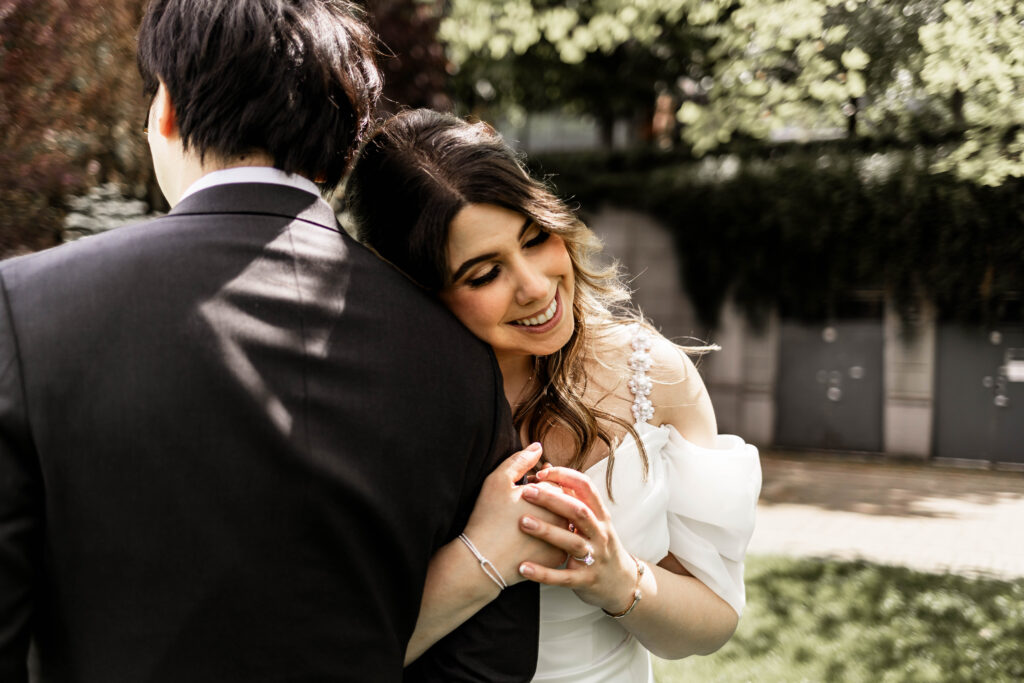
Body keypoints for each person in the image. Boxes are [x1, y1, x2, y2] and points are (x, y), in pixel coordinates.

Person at [0, 2, 561, 681]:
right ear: (344, 136)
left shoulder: (26, 310)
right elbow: (490, 657)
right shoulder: (456, 356)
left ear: (167, 111)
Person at [346, 108, 763, 682]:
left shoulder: (653, 374)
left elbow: (713, 621)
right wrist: (480, 558)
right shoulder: (377, 409)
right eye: (484, 274)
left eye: (536, 237)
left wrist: (620, 580)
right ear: (420, 290)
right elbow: (338, 652)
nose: (536, 286)